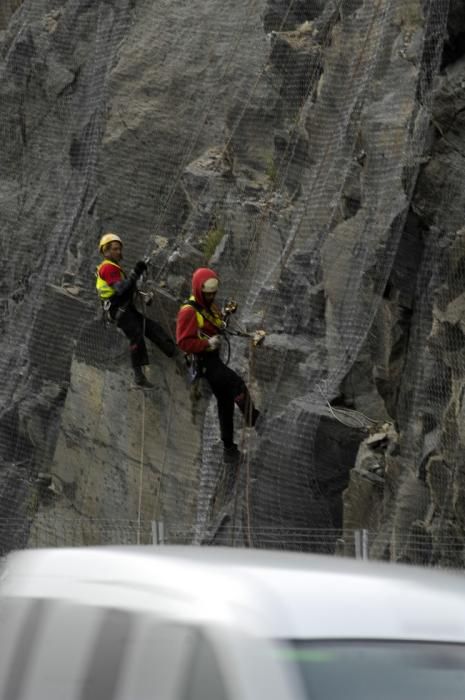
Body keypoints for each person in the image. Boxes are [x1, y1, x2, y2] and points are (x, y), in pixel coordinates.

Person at [176, 267, 259, 463]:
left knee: (225, 401)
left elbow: (215, 323)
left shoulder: (208, 306)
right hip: (204, 361)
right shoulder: (189, 311)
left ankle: (229, 449)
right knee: (236, 385)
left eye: (214, 293)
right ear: (199, 290)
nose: (212, 296)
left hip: (213, 359)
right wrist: (206, 344)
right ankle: (254, 419)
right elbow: (183, 342)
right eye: (208, 293)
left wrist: (226, 314)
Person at [96, 232, 175, 387]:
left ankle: (171, 349)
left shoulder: (114, 268)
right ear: (105, 251)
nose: (118, 252)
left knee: (151, 327)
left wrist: (136, 278)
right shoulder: (107, 268)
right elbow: (120, 289)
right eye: (114, 249)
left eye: (119, 249)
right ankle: (139, 377)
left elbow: (126, 287)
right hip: (119, 310)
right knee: (136, 336)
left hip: (123, 309)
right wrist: (136, 272)